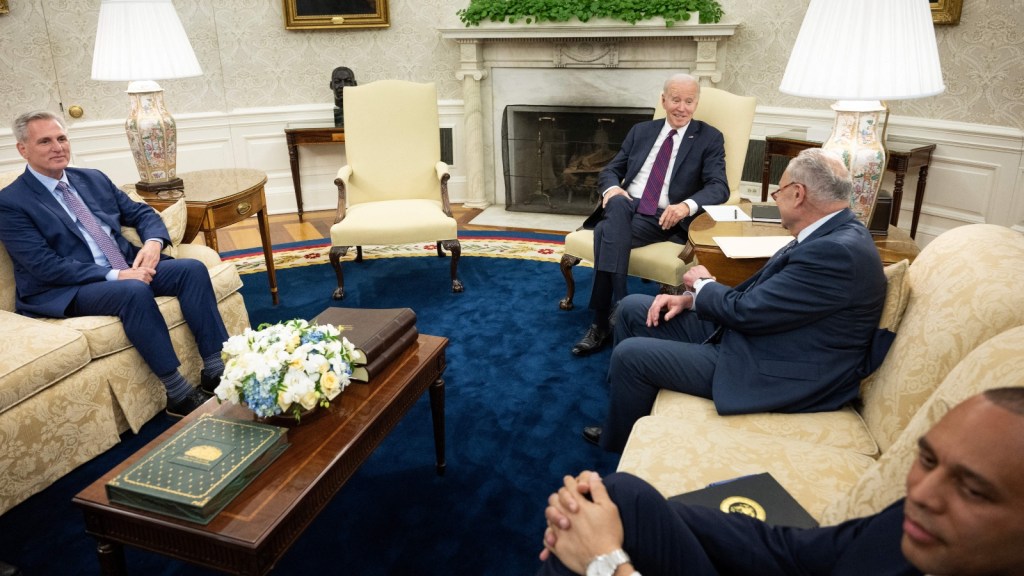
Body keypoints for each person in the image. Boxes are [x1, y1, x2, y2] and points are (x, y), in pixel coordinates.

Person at [586, 147, 889, 452]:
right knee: (632, 308)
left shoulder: (836, 252)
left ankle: (622, 446)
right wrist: (693, 299)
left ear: (798, 194)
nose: (776, 198)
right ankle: (624, 413)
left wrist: (702, 284)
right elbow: (768, 299)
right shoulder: (831, 234)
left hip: (776, 366)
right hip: (764, 335)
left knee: (631, 355)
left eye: (779, 191)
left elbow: (747, 312)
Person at [538, 388, 1024, 576]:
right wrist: (607, 518)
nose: (921, 494)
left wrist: (608, 563)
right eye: (928, 460)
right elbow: (796, 550)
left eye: (973, 490)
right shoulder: (913, 523)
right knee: (619, 495)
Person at [0, 111, 228, 418]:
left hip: (124, 265)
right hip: (67, 287)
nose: (57, 147)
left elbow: (142, 215)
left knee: (191, 269)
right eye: (45, 141)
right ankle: (177, 392)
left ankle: (216, 369)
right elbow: (44, 265)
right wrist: (117, 274)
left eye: (62, 138)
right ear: (23, 149)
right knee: (133, 290)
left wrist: (152, 243)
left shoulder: (92, 178)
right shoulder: (11, 202)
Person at [571, 73, 729, 356]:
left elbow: (719, 187)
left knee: (606, 231)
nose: (682, 107)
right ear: (663, 100)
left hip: (665, 217)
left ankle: (599, 322)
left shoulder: (709, 138)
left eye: (689, 101)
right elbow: (611, 171)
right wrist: (611, 190)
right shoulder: (641, 131)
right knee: (617, 205)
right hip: (628, 206)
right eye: (676, 100)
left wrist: (686, 206)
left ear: (696, 103)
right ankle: (619, 304)